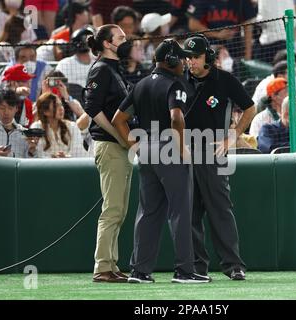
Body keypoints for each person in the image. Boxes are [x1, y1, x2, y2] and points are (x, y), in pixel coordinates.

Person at [112, 39, 210, 284]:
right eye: (182, 58)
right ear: (171, 60)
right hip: (169, 148)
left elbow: (118, 119)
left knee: (148, 212)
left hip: (146, 149)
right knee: (181, 211)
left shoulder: (141, 84)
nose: (186, 62)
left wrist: (132, 145)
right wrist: (181, 149)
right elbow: (176, 117)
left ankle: (140, 271)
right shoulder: (176, 84)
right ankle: (185, 272)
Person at [183, 34, 257, 280]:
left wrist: (233, 136)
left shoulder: (224, 79)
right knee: (189, 211)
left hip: (212, 151)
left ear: (208, 57)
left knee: (220, 209)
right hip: (182, 151)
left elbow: (250, 107)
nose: (191, 62)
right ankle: (196, 268)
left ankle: (233, 265)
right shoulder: (179, 80)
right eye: (188, 57)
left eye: (195, 57)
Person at [84, 24, 133, 283]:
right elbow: (92, 107)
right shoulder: (102, 69)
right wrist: (118, 135)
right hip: (110, 145)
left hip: (120, 146)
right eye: (120, 37)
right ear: (106, 43)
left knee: (119, 210)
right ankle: (102, 267)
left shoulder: (116, 69)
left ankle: (111, 265)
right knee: (112, 209)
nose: (126, 41)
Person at [186, 0, 256, 60]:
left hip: (234, 49)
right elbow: (193, 25)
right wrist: (217, 34)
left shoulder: (242, 1)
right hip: (207, 47)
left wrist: (248, 56)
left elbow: (248, 26)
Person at [31, 92, 88, 158]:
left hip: (69, 166)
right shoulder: (36, 128)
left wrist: (66, 157)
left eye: (61, 105)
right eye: (56, 106)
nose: (61, 108)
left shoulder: (72, 126)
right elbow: (36, 154)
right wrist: (52, 158)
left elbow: (79, 152)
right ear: (45, 112)